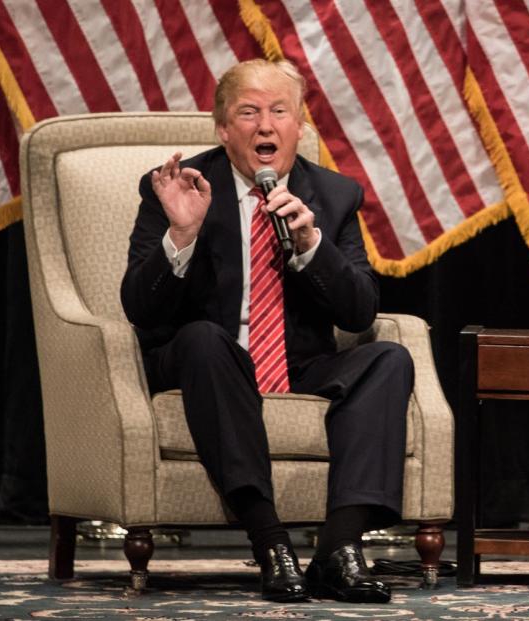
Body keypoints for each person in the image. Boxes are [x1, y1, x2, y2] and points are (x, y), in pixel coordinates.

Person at [120, 59, 411, 604]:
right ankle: (270, 540)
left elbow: (359, 313)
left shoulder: (335, 194)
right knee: (206, 338)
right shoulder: (181, 187)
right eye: (248, 112)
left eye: (280, 111)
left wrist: (311, 246)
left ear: (300, 126)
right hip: (208, 358)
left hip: (297, 362)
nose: (265, 125)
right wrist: (182, 234)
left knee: (388, 359)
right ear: (223, 128)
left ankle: (340, 548)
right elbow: (140, 308)